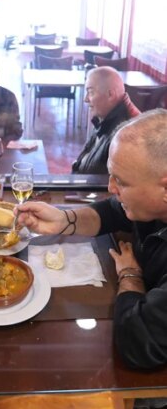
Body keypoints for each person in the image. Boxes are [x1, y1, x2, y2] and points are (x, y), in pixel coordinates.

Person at [17, 108, 167, 371]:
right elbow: (112, 211)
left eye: (121, 181)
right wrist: (63, 220)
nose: (111, 188)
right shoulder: (150, 204)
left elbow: (139, 344)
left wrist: (131, 275)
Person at [72, 66, 140, 174]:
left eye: (91, 92)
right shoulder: (104, 117)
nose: (85, 99)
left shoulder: (125, 135)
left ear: (110, 95)